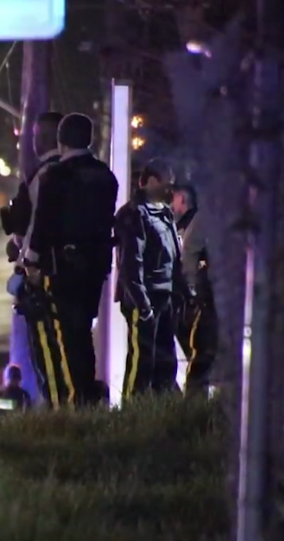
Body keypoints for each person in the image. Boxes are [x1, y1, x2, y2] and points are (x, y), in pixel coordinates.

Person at [18, 113, 119, 409]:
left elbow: (43, 225)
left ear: (60, 141)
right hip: (95, 266)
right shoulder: (105, 176)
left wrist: (32, 262)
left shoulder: (55, 176)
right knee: (83, 329)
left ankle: (74, 401)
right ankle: (87, 395)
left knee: (65, 337)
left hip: (61, 267)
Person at [0, 111, 64, 405]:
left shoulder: (43, 177)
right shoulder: (91, 173)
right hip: (81, 275)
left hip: (45, 276)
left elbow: (30, 228)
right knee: (73, 347)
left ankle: (57, 409)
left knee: (47, 348)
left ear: (50, 136)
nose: (34, 142)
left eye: (37, 135)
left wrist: (26, 260)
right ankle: (74, 408)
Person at [114, 158, 193, 398]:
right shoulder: (135, 214)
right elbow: (131, 263)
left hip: (164, 297)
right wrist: (143, 305)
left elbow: (173, 258)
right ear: (149, 181)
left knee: (165, 359)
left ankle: (161, 409)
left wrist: (184, 293)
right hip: (145, 300)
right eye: (165, 183)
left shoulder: (163, 213)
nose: (169, 189)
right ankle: (133, 411)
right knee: (142, 361)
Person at [171, 184, 218, 397]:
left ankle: (196, 400)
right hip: (213, 292)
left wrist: (190, 287)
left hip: (212, 292)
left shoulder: (207, 215)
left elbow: (188, 249)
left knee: (204, 347)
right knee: (205, 347)